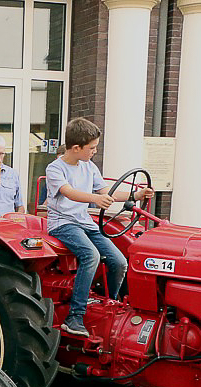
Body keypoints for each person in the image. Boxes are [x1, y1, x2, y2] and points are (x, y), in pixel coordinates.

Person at [46, 117, 154, 337]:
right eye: (92, 148)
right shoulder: (55, 169)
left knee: (119, 261)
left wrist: (136, 195)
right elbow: (68, 192)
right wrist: (94, 199)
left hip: (85, 223)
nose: (94, 151)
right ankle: (75, 316)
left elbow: (107, 192)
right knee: (91, 256)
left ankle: (108, 303)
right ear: (76, 148)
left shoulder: (89, 166)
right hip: (64, 222)